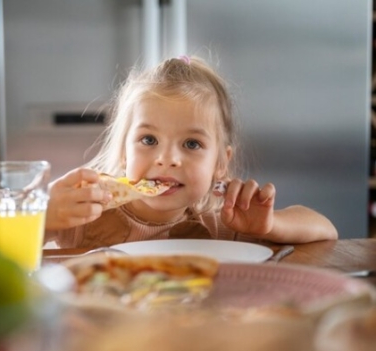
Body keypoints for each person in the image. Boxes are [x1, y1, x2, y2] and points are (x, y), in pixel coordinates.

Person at [44, 56, 338, 249]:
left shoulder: (223, 223)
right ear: (123, 154)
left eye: (192, 144)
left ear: (220, 163)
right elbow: (2, 252)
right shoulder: (86, 215)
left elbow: (326, 230)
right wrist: (45, 217)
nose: (167, 158)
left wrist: (271, 225)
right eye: (148, 140)